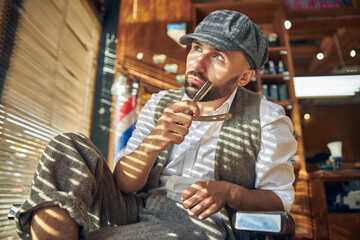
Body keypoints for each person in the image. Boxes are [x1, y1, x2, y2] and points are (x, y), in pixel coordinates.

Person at [15, 10, 296, 240]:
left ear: (244, 76)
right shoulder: (160, 102)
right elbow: (125, 184)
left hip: (200, 223)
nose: (197, 65)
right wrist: (154, 141)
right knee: (68, 146)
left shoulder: (268, 119)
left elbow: (279, 199)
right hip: (136, 206)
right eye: (197, 48)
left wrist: (229, 192)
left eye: (218, 57)